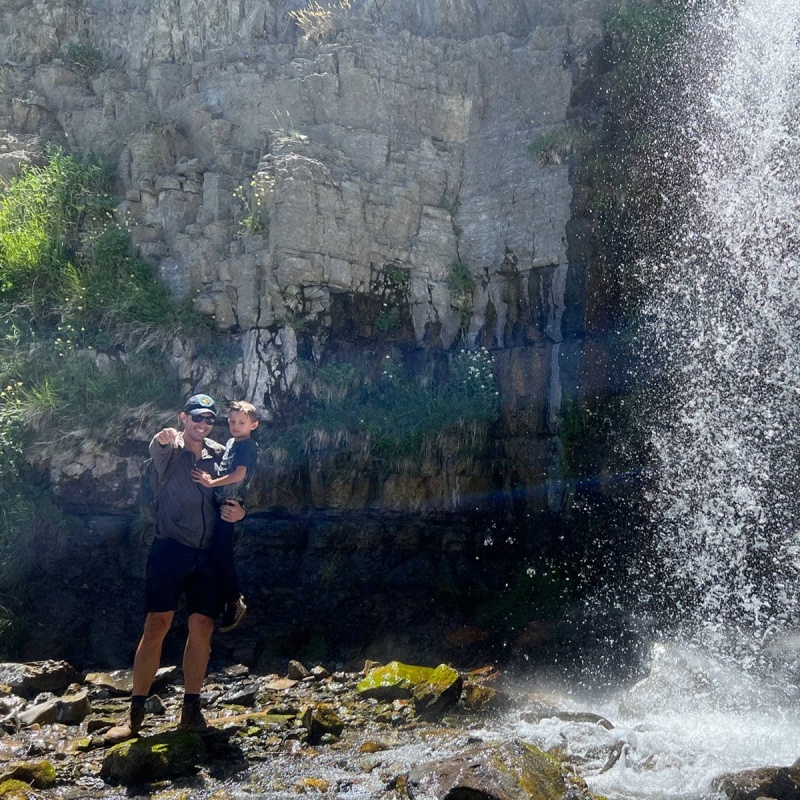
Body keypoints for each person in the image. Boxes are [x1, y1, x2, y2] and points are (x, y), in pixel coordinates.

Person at [105, 394, 246, 743]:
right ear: (184, 417)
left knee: (202, 627)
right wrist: (164, 436)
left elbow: (235, 492)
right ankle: (135, 713)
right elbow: (158, 444)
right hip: (169, 548)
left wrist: (242, 512)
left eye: (209, 419)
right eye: (196, 417)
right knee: (157, 624)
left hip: (205, 555)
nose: (202, 424)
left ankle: (191, 710)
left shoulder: (219, 453)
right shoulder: (170, 449)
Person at [191, 400, 259, 633]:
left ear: (254, 425)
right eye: (232, 421)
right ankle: (223, 598)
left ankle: (233, 600)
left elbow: (239, 475)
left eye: (242, 422)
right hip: (220, 504)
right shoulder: (231, 443)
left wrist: (211, 483)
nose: (235, 426)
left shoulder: (247, 446)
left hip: (230, 504)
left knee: (221, 554)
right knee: (214, 553)